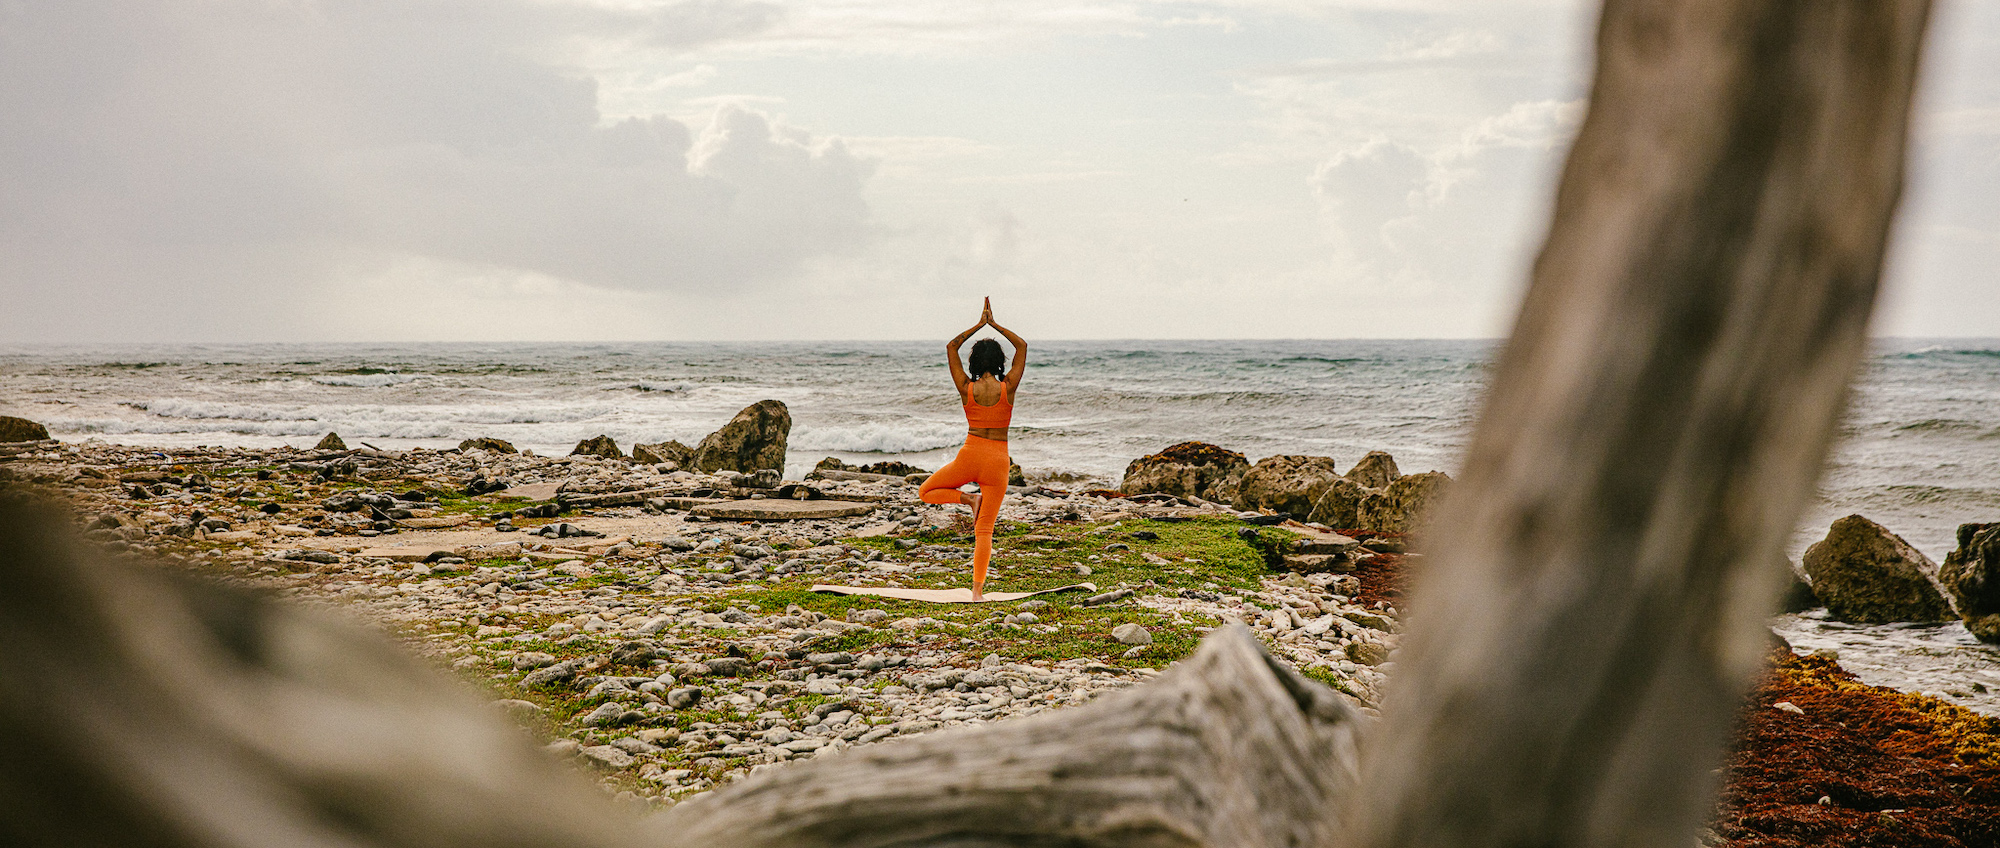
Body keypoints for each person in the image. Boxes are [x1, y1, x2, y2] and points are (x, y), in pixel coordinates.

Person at [919, 297, 1026, 600]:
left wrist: (978, 325)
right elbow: (1023, 347)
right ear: (1000, 362)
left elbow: (951, 347)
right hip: (997, 461)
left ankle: (968, 498)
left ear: (975, 363)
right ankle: (977, 592)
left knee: (925, 492)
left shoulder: (967, 387)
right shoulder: (1009, 387)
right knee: (984, 531)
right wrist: (995, 325)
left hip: (970, 454)